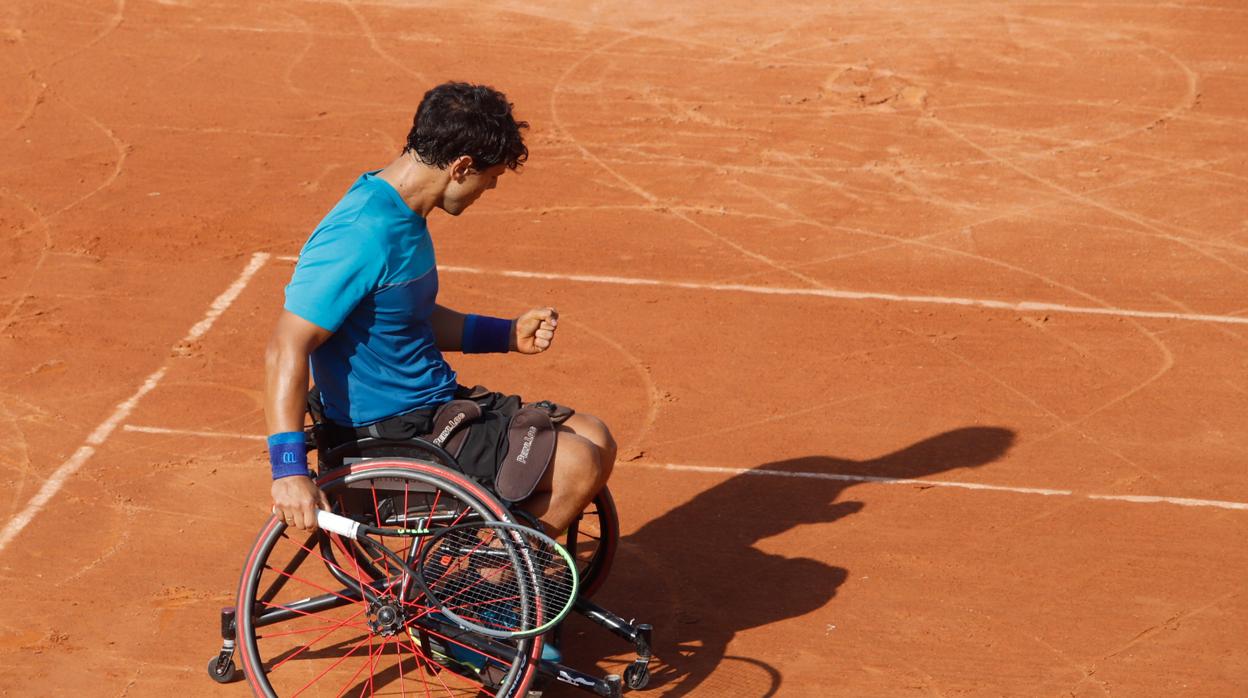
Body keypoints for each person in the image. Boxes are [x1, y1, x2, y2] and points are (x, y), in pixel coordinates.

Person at [264, 81, 615, 537]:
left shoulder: (403, 213)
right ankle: (493, 590)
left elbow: (409, 316)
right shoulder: (360, 233)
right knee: (577, 463)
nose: (487, 189)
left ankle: (499, 570)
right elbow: (284, 346)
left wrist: (505, 335)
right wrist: (288, 471)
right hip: (392, 433)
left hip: (436, 410)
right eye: (489, 179)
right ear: (461, 166)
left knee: (595, 435)